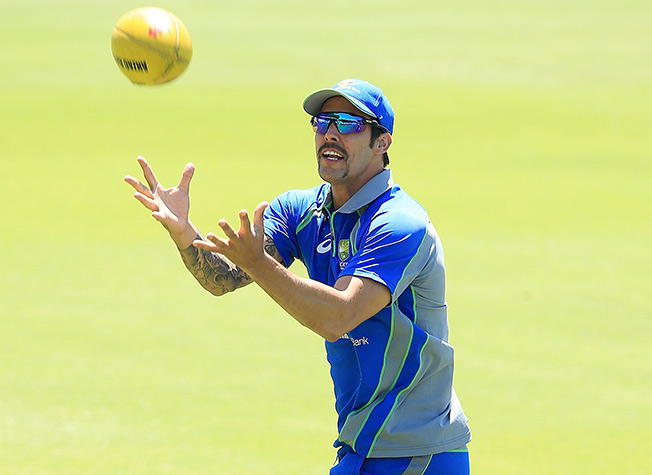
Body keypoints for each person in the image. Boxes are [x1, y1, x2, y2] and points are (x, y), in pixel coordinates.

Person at [125, 79, 471, 474]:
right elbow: (223, 279)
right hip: (362, 447)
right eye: (323, 121)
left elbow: (337, 317)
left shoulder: (399, 224)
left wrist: (260, 264)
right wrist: (186, 234)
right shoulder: (302, 211)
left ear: (382, 142)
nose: (331, 133)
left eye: (350, 123)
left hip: (419, 453)